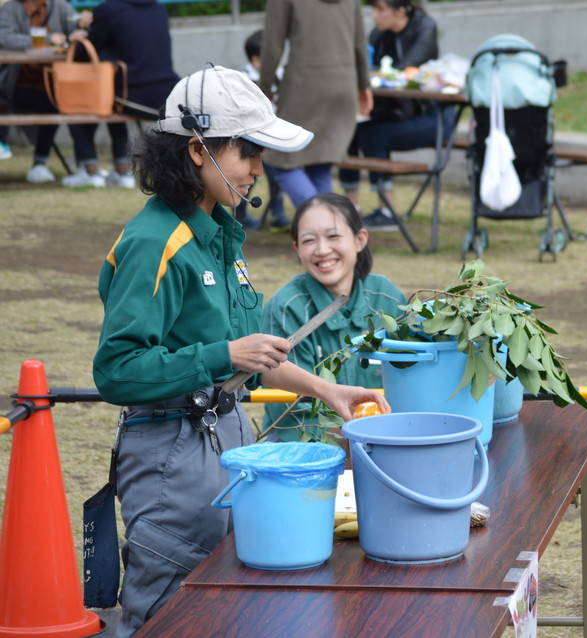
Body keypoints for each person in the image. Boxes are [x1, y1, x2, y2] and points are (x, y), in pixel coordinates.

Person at [92, 66, 389, 637]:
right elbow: (116, 370)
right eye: (246, 151)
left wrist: (326, 389)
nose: (257, 169)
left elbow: (247, 356)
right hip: (170, 457)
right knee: (170, 613)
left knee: (232, 607)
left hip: (229, 438)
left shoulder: (221, 230)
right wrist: (222, 354)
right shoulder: (156, 240)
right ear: (198, 150)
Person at [261, 192, 404, 440]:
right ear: (296, 249)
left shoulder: (387, 298)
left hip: (387, 444)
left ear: (360, 239)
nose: (322, 250)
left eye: (333, 236)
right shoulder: (286, 308)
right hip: (309, 455)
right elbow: (293, 417)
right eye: (308, 241)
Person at [340, 0, 456, 231]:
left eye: (380, 9)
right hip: (397, 114)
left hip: (433, 117)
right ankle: (350, 207)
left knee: (373, 134)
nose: (374, 16)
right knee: (349, 131)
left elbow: (406, 70)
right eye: (373, 9)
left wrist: (375, 77)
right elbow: (362, 66)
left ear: (400, 11)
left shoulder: (425, 28)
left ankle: (386, 210)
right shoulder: (379, 34)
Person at [259, 0, 372, 206]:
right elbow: (360, 42)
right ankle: (330, 229)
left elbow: (272, 44)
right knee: (320, 163)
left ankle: (320, 220)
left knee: (280, 160)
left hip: (304, 85)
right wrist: (364, 85)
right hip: (344, 83)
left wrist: (264, 87)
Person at [61, 0, 179, 188]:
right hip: (168, 93)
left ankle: (89, 170)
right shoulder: (159, 8)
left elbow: (85, 52)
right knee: (110, 102)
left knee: (78, 102)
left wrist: (78, 34)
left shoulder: (108, 10)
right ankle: (122, 170)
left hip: (131, 94)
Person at [0, 0, 91, 183]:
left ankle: (79, 164)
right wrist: (47, 39)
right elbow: (4, 38)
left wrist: (83, 24)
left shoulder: (61, 7)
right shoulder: (11, 8)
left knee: (61, 102)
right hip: (15, 85)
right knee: (54, 101)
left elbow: (77, 31)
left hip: (55, 82)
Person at [233, 28, 289, 230]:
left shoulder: (281, 75)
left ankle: (278, 213)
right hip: (249, 139)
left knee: (278, 177)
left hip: (275, 137)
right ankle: (239, 215)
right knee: (247, 178)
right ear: (256, 59)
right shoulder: (241, 79)